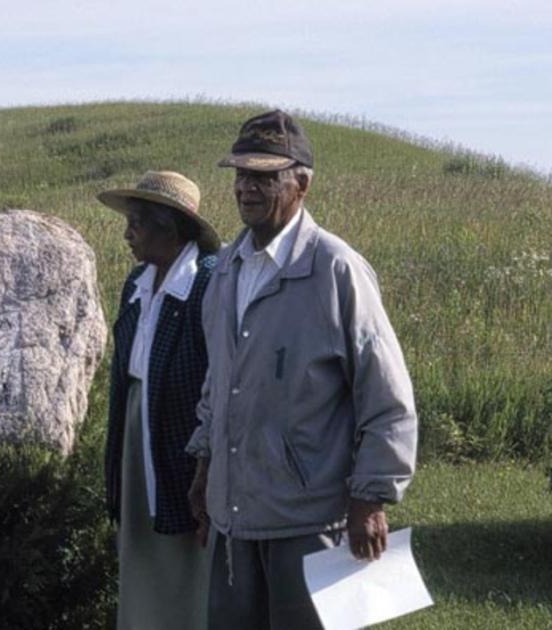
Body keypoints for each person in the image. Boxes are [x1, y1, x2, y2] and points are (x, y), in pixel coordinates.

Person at [186, 111, 418, 630]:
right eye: (240, 175)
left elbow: (387, 397)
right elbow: (217, 380)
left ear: (302, 184)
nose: (245, 188)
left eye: (264, 177)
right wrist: (205, 469)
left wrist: (371, 497)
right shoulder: (225, 269)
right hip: (233, 518)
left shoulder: (335, 269)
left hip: (308, 519)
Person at [98, 170, 220, 630]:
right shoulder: (137, 281)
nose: (128, 233)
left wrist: (205, 457)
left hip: (184, 433)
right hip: (136, 423)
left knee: (188, 544)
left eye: (137, 222)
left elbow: (217, 370)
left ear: (168, 227)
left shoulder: (206, 282)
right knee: (140, 536)